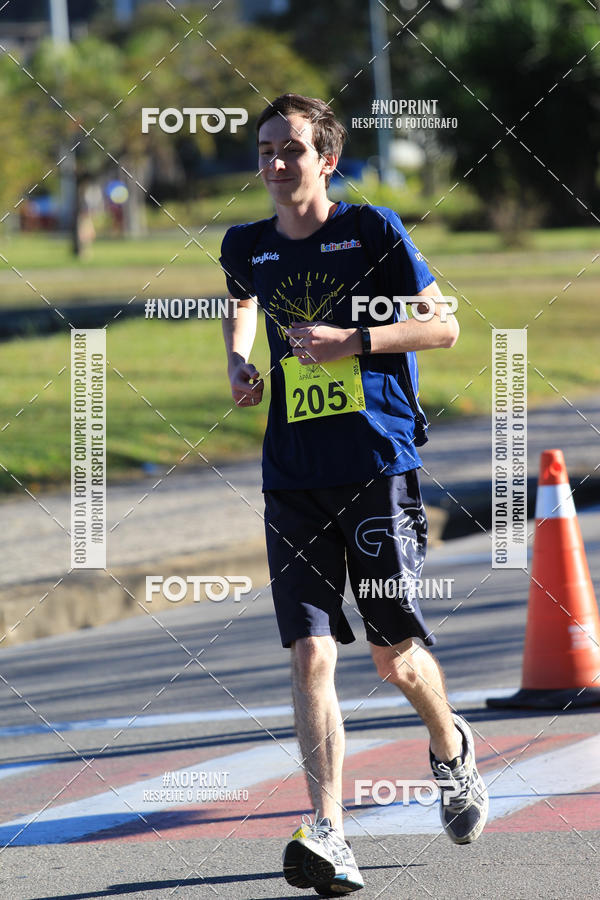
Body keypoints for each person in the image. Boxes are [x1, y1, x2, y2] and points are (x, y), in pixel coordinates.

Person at [220, 93, 488, 897]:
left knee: (393, 653)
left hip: (376, 466)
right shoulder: (247, 244)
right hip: (291, 475)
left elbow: (443, 327)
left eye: (291, 150)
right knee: (311, 652)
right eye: (265, 149)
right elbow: (239, 303)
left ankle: (450, 748)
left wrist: (354, 342)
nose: (274, 164)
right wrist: (238, 360)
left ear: (326, 159)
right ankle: (330, 831)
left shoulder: (371, 232)